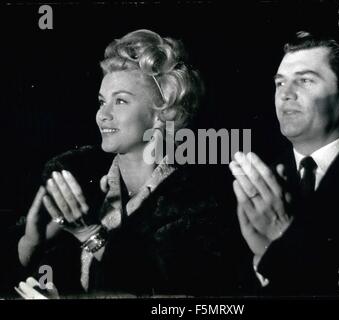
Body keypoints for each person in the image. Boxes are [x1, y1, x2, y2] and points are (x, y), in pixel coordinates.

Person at [14, 29, 244, 298]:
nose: (102, 114)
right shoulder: (73, 175)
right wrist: (30, 243)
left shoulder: (200, 202)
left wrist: (90, 234)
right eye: (102, 101)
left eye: (120, 101)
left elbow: (169, 293)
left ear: (162, 113)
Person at [230, 31, 339, 296]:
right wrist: (261, 261)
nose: (286, 95)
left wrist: (282, 236)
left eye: (305, 81)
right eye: (280, 83)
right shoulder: (260, 181)